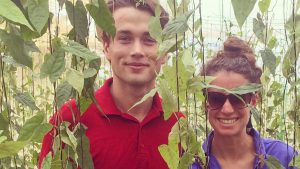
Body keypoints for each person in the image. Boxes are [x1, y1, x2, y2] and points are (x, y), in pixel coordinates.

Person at [38, 0, 182, 169]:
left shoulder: (177, 125)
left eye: (149, 39)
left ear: (164, 51)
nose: (137, 50)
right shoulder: (70, 121)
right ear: (107, 47)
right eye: (125, 38)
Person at [190, 36, 297, 169]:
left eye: (238, 98)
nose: (227, 109)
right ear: (206, 102)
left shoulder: (283, 157)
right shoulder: (193, 164)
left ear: (253, 101)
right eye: (216, 98)